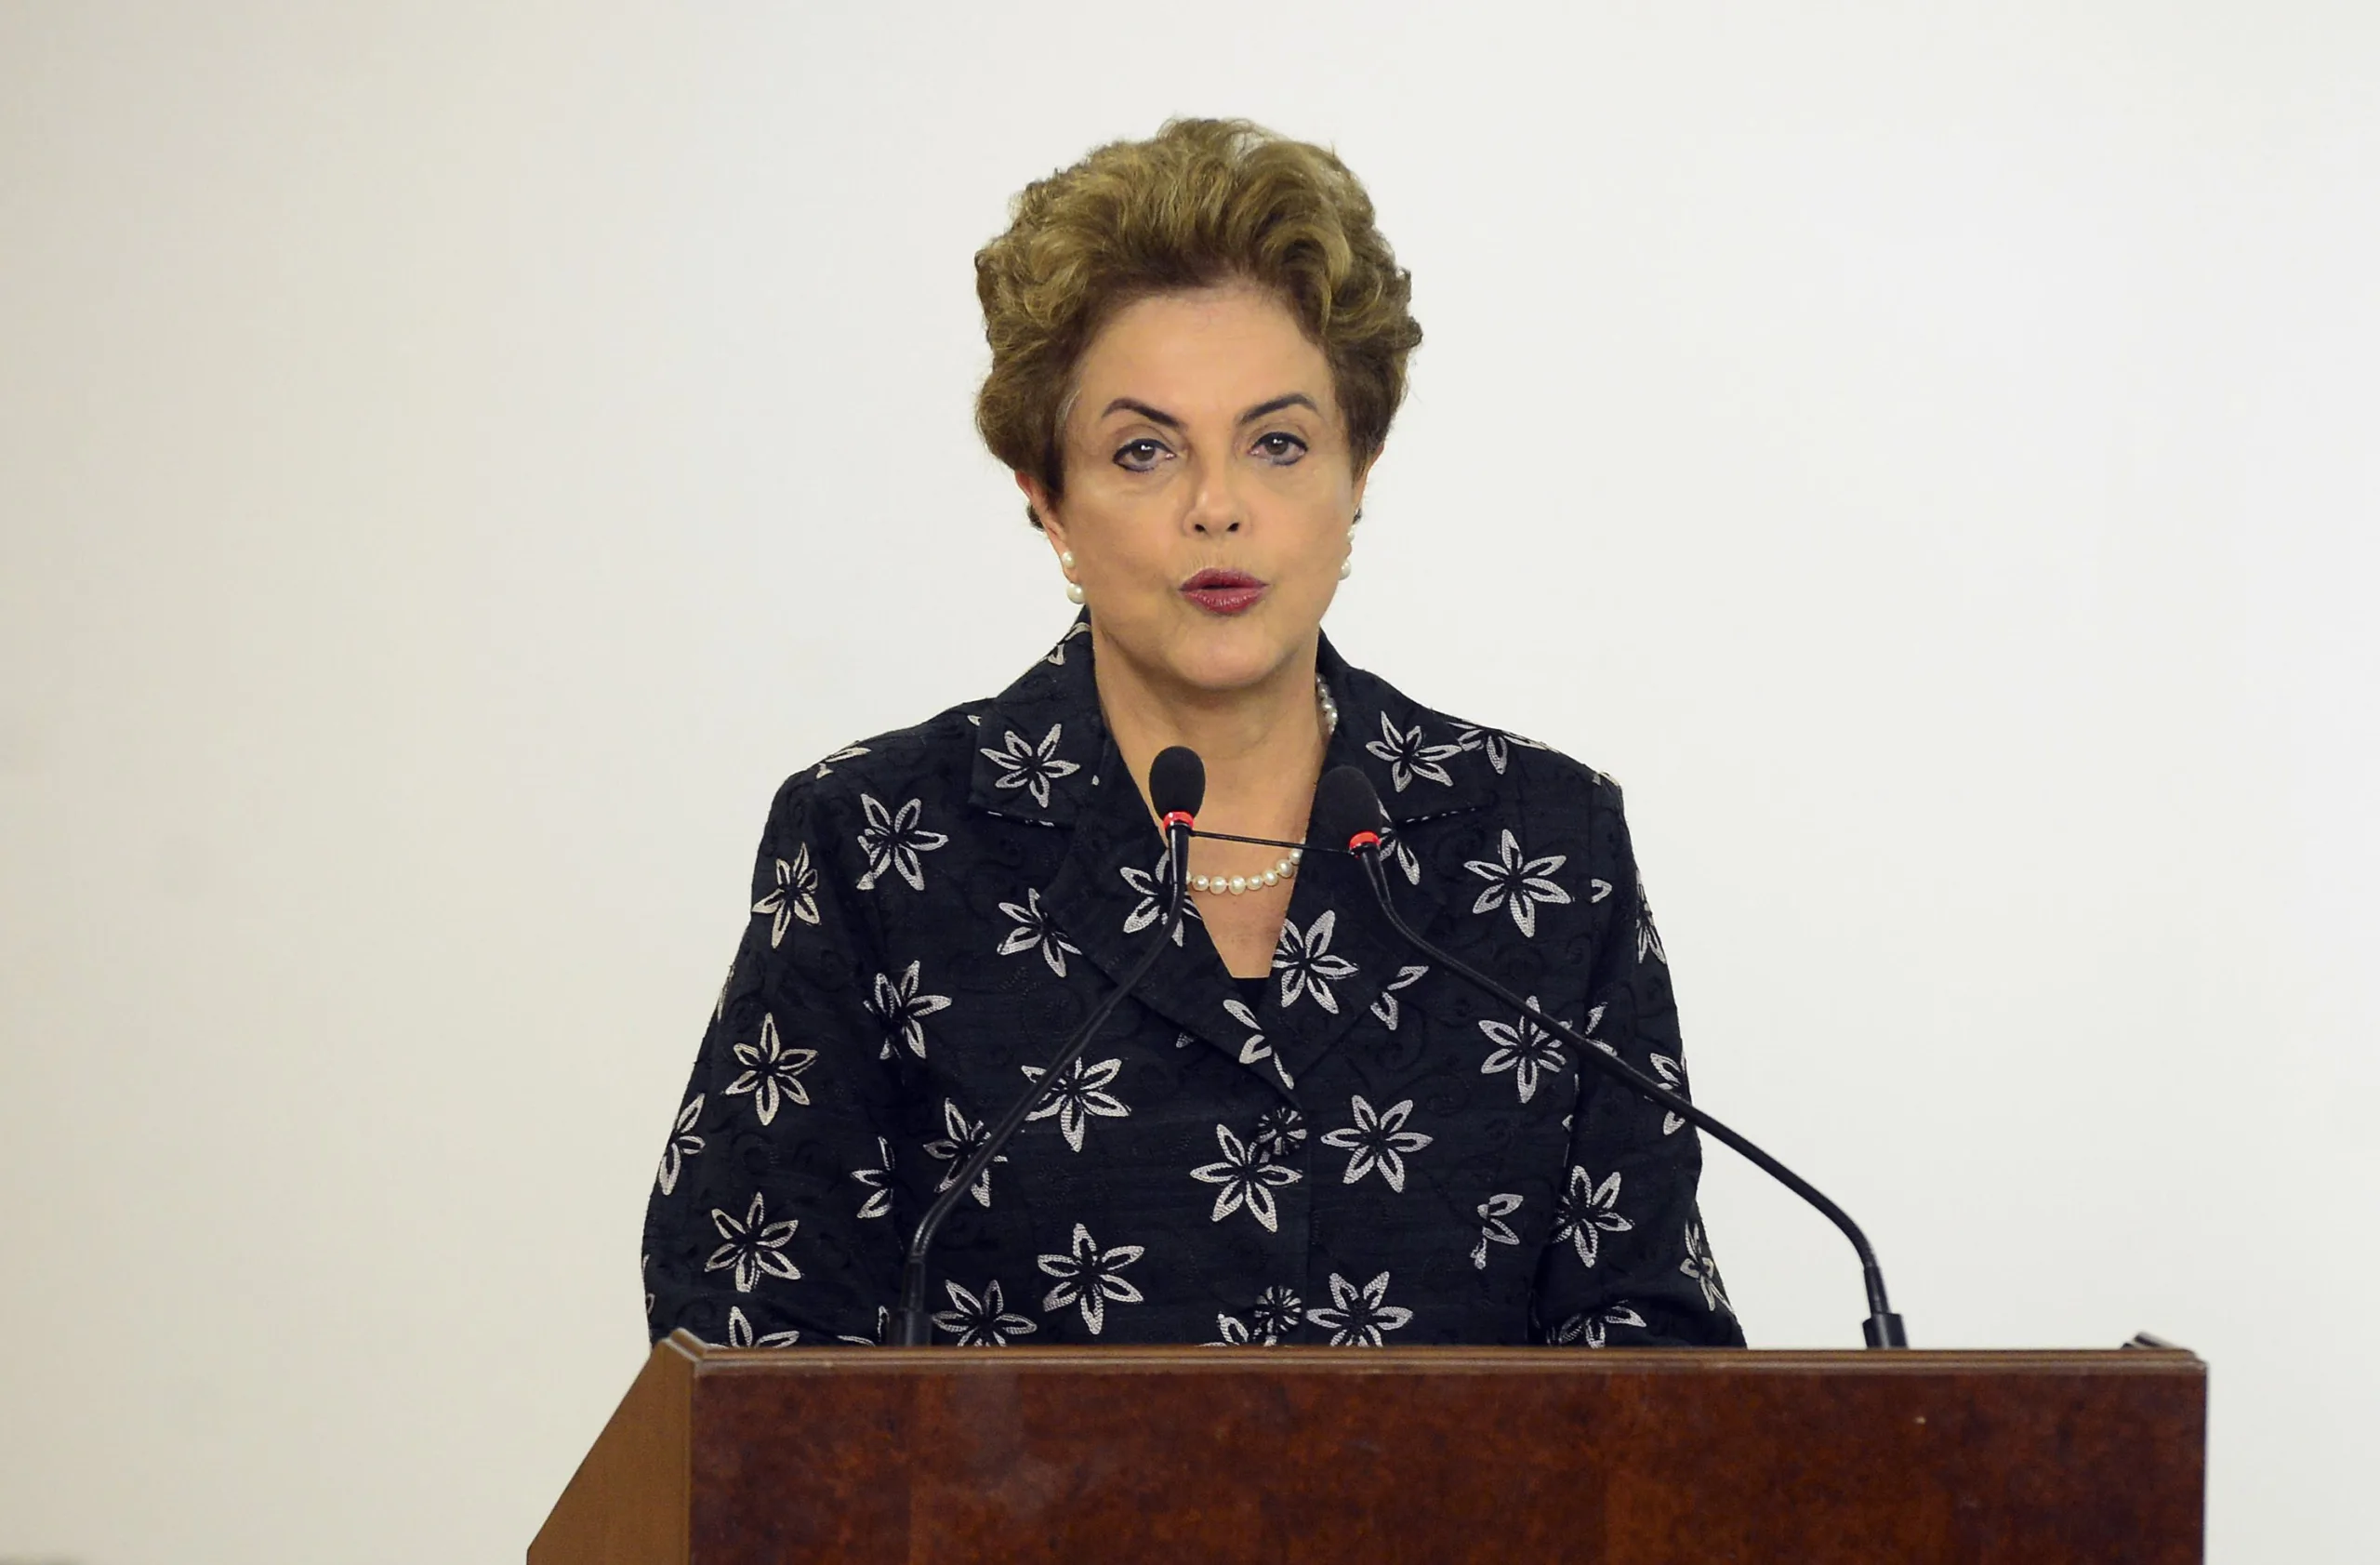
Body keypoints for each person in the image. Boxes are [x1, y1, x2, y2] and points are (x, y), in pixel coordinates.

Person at [641, 119, 1745, 1349]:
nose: (1217, 507)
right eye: (1144, 450)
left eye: (1278, 442)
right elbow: (749, 1336)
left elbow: (1652, 1345)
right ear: (1046, 496)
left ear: (1359, 468)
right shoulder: (877, 848)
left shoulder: (1543, 843)